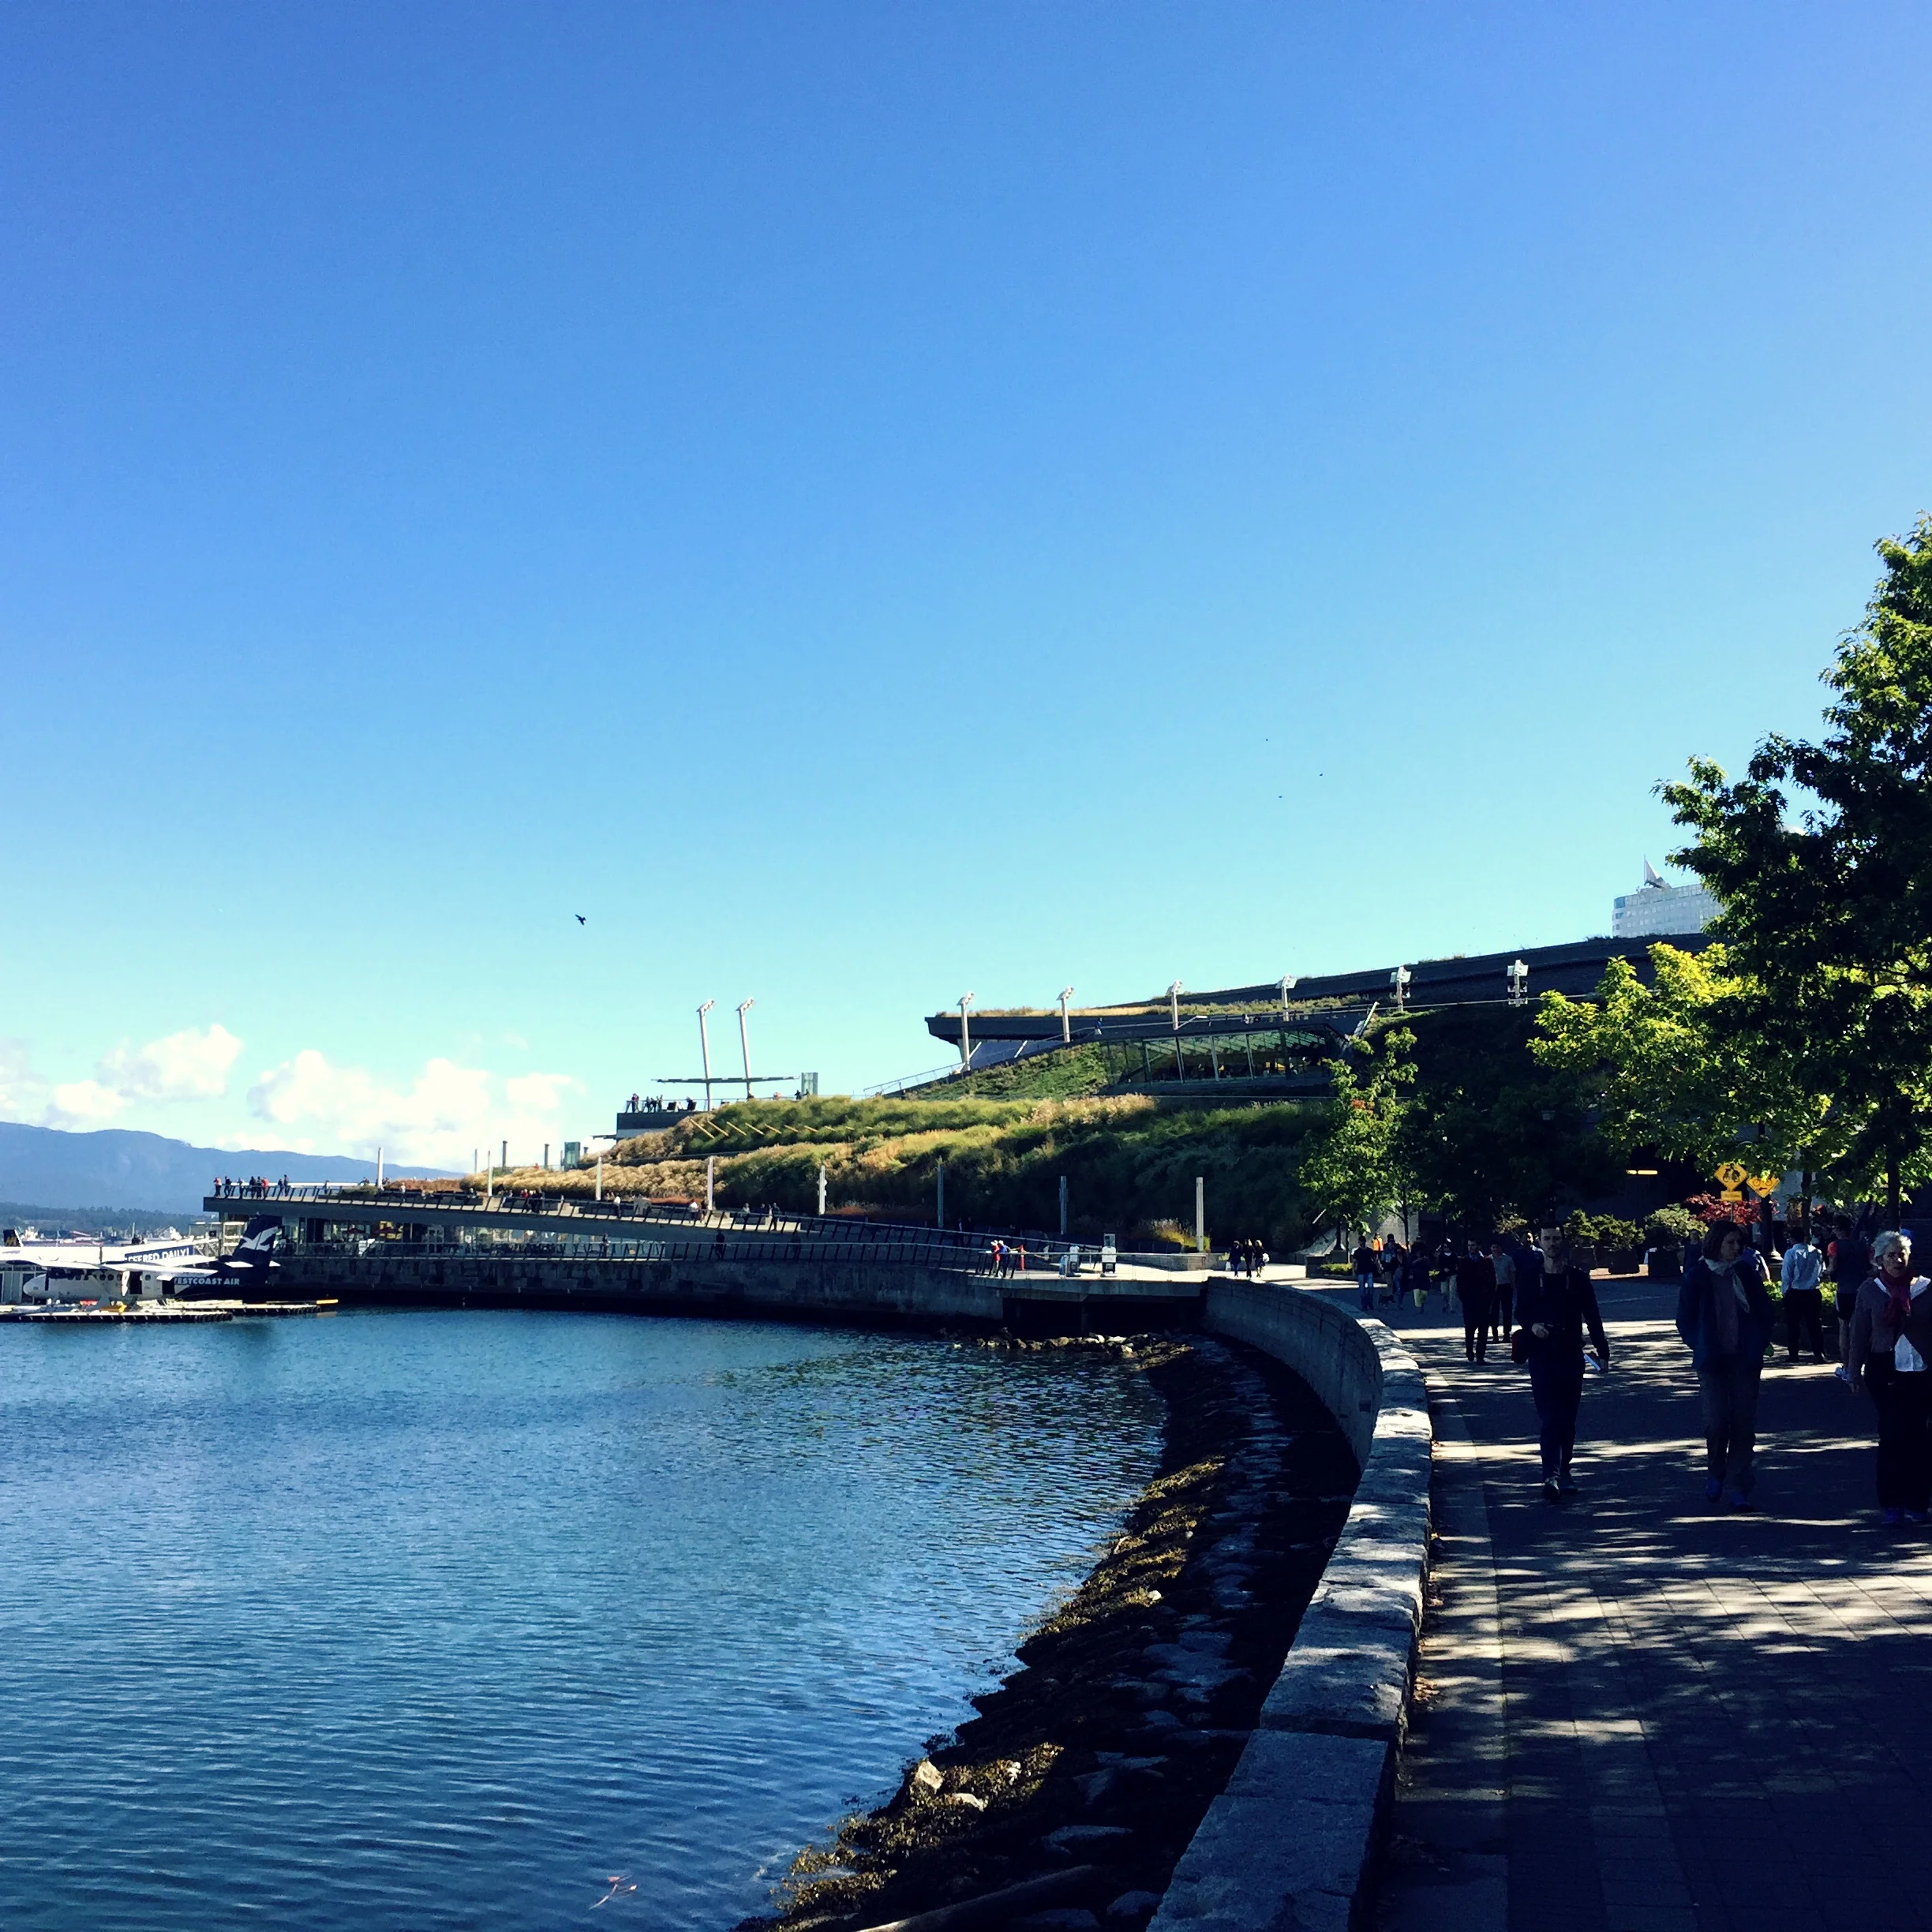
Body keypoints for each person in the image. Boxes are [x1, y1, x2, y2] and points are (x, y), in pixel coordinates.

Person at [1676, 1222, 1776, 1508]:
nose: (1736, 1248)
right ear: (1716, 1243)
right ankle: (1715, 1472)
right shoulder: (1697, 1276)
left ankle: (1741, 1485)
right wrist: (1701, 1345)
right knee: (1717, 1422)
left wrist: (1757, 1342)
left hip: (1744, 1360)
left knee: (1744, 1424)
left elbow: (1765, 1312)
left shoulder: (1745, 1273)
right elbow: (1685, 1319)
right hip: (1712, 1362)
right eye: (1731, 1243)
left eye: (1738, 1243)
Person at [1516, 1227, 1609, 1500]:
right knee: (1549, 1417)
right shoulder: (1531, 1276)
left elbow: (1593, 1316)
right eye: (1547, 1238)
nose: (1552, 1243)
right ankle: (1550, 1476)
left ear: (1563, 1242)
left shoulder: (1577, 1278)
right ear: (1540, 1242)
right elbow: (1520, 1310)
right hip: (1541, 1354)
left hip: (1571, 1353)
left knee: (1567, 1418)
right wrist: (1533, 1326)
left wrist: (1602, 1353)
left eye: (1556, 1238)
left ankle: (1565, 1468)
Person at [1848, 1230, 1932, 1525]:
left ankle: (1918, 1502)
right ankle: (1891, 1503)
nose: (1897, 1260)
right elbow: (1859, 1333)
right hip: (1884, 1370)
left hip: (1921, 1370)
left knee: (1919, 1435)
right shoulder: (1870, 1290)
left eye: (1902, 1254)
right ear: (1880, 1259)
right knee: (1892, 1433)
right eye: (1891, 1255)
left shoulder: (1925, 1288)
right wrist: (1852, 1369)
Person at [1778, 1222, 1827, 1364]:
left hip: (1796, 1292)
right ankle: (1819, 1353)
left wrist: (1785, 1291)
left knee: (1793, 1325)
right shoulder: (1816, 1252)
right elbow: (1822, 1270)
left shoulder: (1791, 1253)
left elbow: (1787, 1274)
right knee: (1815, 1325)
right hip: (1813, 1292)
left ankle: (1794, 1354)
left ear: (1792, 1238)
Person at [1831, 1215, 1871, 1385]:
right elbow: (1870, 1266)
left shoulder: (1834, 1246)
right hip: (1861, 1289)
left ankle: (1847, 1367)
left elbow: (1832, 1268)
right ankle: (1865, 1365)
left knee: (1844, 1328)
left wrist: (1826, 1274)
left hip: (1844, 1290)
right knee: (1862, 1327)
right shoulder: (1863, 1246)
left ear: (1839, 1229)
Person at [1458, 1241, 1496, 1363]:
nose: (1471, 1248)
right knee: (1469, 1328)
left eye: (1473, 1245)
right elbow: (1460, 1281)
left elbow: (1493, 1281)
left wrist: (1490, 1298)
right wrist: (1463, 1298)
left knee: (1483, 1329)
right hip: (1469, 1301)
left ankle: (1480, 1355)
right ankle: (1469, 1350)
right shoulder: (1464, 1261)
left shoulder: (1487, 1261)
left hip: (1483, 1301)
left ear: (1479, 1246)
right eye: (1469, 1245)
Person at [1489, 1238, 1516, 1344]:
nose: (1496, 1249)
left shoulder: (1508, 1259)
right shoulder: (1488, 1260)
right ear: (1491, 1248)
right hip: (1493, 1288)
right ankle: (1495, 1335)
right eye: (1494, 1247)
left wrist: (1513, 1285)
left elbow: (1513, 1272)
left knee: (1507, 1312)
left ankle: (1506, 1334)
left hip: (1506, 1286)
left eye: (1497, 1247)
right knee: (1493, 1312)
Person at [1353, 1237, 1375, 1312]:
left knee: (1371, 1288)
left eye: (1362, 1241)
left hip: (1369, 1271)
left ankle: (1369, 1301)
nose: (1361, 1243)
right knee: (1362, 1290)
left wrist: (1378, 1267)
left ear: (1365, 1242)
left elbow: (1375, 1259)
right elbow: (1354, 1262)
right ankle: (1364, 1304)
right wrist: (1354, 1271)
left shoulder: (1370, 1251)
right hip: (1361, 1272)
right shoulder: (1357, 1252)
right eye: (1360, 1242)